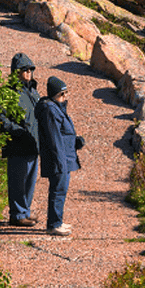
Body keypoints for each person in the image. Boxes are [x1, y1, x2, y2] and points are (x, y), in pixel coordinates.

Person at [35, 76, 84, 236]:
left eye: (66, 93)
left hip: (64, 157)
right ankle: (54, 224)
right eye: (62, 94)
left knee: (61, 190)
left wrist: (74, 142)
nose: (65, 97)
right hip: (58, 159)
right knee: (58, 190)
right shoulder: (50, 109)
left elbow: (63, 134)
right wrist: (60, 161)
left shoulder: (57, 107)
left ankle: (58, 221)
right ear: (54, 95)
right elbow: (54, 138)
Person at [0, 53, 40, 227]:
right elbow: (1, 118)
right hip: (17, 145)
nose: (29, 72)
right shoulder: (8, 93)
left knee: (30, 182)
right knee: (17, 181)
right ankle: (16, 215)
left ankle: (25, 212)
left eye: (31, 69)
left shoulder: (34, 92)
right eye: (25, 69)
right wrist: (17, 132)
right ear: (16, 72)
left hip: (34, 145)